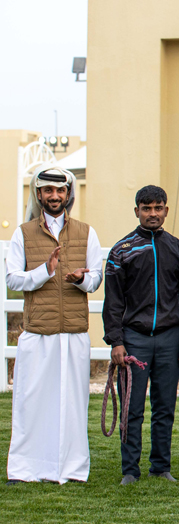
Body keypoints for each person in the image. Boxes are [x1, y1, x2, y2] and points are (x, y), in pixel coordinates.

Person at [5, 167, 103, 485]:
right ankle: (26, 470)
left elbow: (97, 278)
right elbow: (11, 278)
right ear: (39, 195)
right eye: (48, 191)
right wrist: (44, 271)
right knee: (31, 404)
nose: (55, 196)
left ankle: (71, 471)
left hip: (73, 333)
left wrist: (81, 279)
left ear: (68, 194)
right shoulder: (22, 233)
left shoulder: (87, 232)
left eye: (60, 191)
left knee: (73, 406)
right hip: (37, 333)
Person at [103, 185, 179, 486]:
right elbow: (113, 301)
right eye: (146, 208)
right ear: (137, 211)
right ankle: (130, 469)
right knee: (132, 408)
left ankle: (161, 466)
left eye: (158, 208)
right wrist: (116, 340)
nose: (153, 213)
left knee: (164, 406)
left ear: (166, 210)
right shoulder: (122, 251)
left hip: (170, 337)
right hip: (134, 338)